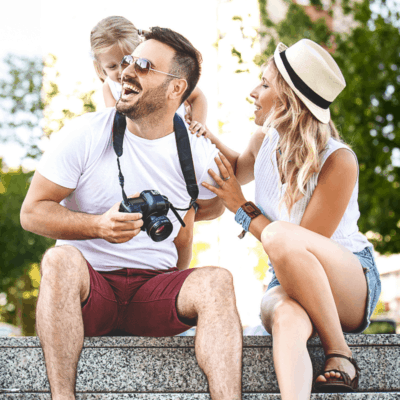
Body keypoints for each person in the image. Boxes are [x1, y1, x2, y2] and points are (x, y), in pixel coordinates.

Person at [20, 27, 243, 400]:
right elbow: (32, 213)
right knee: (58, 261)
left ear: (176, 88)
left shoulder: (199, 152)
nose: (126, 71)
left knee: (217, 280)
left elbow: (219, 202)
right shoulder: (85, 133)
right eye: (126, 62)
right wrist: (98, 225)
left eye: (143, 65)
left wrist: (190, 212)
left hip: (152, 295)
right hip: (92, 292)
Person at [200, 39, 381, 399]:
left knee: (282, 235)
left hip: (346, 282)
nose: (254, 92)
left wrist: (242, 209)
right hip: (282, 281)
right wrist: (202, 132)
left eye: (265, 84)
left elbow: (295, 247)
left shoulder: (338, 161)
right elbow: (235, 169)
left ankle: (339, 353)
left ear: (289, 101)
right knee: (285, 317)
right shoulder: (262, 142)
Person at [90, 15, 208, 270]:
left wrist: (196, 124)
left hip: (171, 148)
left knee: (184, 231)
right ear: (101, 69)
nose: (124, 72)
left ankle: (177, 279)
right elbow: (117, 124)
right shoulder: (110, 89)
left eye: (133, 61)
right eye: (114, 66)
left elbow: (198, 97)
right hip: (139, 160)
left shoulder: (165, 83)